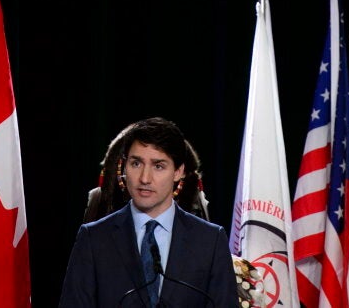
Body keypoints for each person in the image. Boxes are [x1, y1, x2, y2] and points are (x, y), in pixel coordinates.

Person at [59, 117, 238, 307]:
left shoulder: (210, 240)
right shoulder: (93, 239)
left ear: (179, 172)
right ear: (124, 167)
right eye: (136, 164)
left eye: (158, 166)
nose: (145, 178)